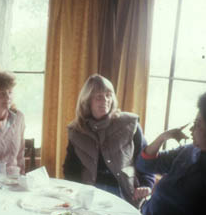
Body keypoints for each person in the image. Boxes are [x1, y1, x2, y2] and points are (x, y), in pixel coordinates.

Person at [63, 74, 155, 206]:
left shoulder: (130, 124)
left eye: (108, 95)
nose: (105, 100)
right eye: (99, 97)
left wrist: (146, 184)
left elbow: (146, 159)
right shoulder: (76, 130)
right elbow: (70, 169)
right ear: (87, 100)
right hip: (89, 193)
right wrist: (74, 195)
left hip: (124, 192)